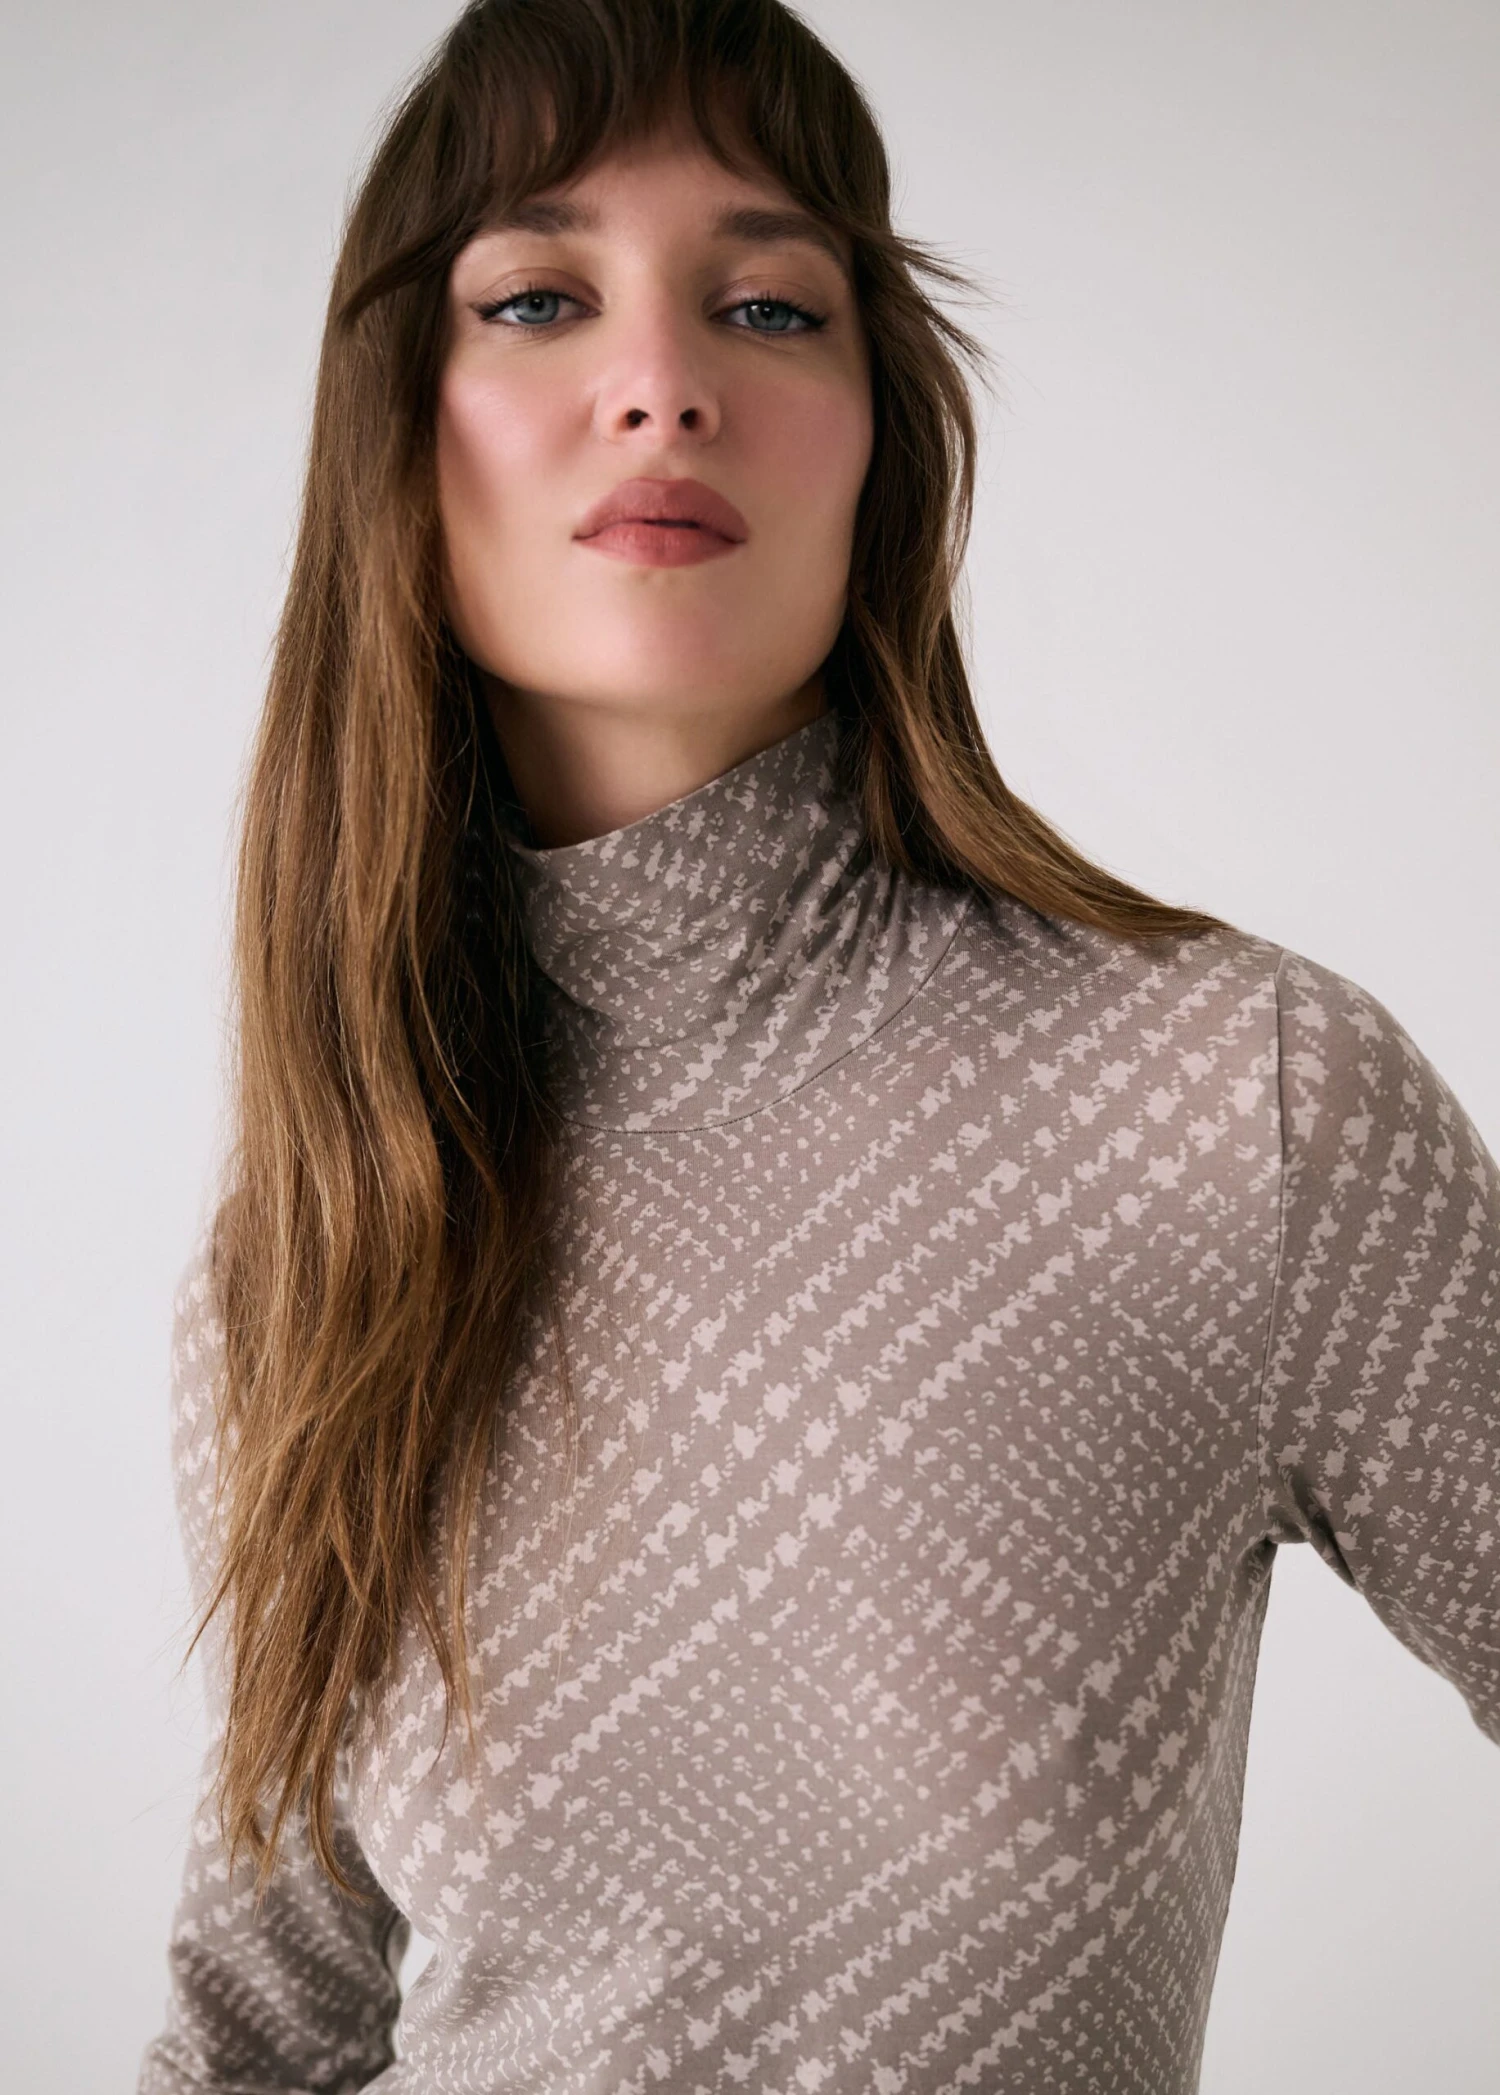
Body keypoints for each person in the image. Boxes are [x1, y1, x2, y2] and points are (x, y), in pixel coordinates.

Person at [136, 1, 1500, 2089]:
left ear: (883, 441)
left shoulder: (1238, 1108)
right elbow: (256, 2035)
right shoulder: (300, 1267)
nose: (663, 385)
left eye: (769, 306)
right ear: (398, 430)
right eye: (538, 298)